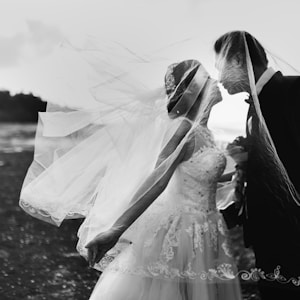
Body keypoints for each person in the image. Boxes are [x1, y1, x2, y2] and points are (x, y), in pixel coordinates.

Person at [82, 60, 242, 299]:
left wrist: (240, 171)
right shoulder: (184, 131)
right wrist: (116, 229)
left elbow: (198, 177)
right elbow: (157, 180)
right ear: (192, 90)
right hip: (183, 231)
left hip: (208, 227)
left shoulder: (205, 132)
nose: (215, 82)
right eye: (207, 79)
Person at [214, 30, 300, 299]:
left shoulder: (292, 91)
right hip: (271, 236)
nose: (219, 78)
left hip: (292, 237)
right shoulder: (257, 104)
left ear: (238, 60)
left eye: (221, 67)